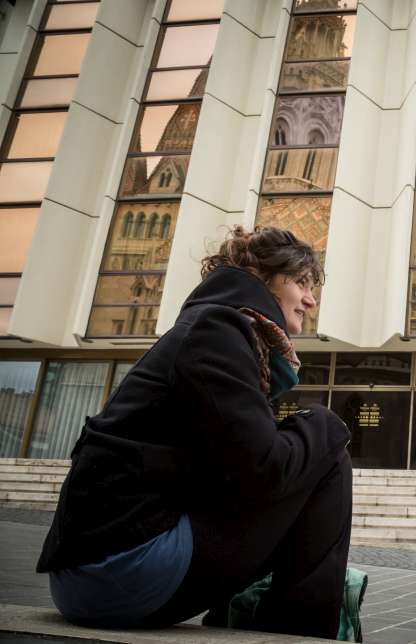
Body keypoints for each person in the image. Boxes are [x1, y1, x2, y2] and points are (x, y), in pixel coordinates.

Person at [36, 226, 353, 640]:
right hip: (118, 569)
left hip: (93, 571)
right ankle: (298, 634)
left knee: (305, 452)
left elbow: (238, 473)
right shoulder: (218, 330)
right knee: (328, 455)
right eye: (301, 282)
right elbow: (266, 469)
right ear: (263, 276)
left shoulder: (209, 326)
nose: (311, 300)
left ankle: (266, 620)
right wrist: (328, 425)